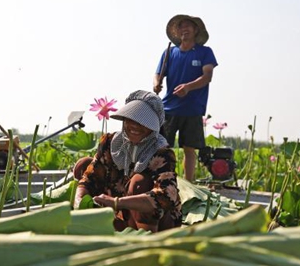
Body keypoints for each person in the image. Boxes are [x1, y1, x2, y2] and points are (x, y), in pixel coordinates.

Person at [74, 90, 182, 232]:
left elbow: (166, 196)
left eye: (143, 122)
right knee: (83, 165)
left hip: (156, 222)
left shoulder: (162, 153)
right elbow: (88, 179)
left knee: (138, 182)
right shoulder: (109, 142)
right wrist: (79, 201)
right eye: (131, 119)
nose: (135, 126)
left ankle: (146, 241)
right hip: (116, 216)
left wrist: (117, 203)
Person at [153, 14, 218, 182]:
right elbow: (158, 74)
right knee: (162, 148)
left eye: (188, 26)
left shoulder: (205, 52)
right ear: (177, 31)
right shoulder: (170, 52)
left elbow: (207, 76)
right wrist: (156, 84)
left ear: (196, 30)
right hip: (169, 108)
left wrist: (188, 87)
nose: (185, 29)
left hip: (193, 109)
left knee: (189, 150)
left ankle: (189, 184)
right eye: (181, 26)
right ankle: (162, 181)